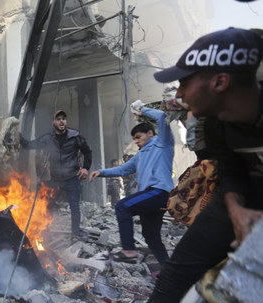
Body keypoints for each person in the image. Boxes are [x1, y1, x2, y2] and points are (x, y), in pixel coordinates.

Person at [117, 28, 263, 303]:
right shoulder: (214, 124)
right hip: (249, 188)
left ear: (220, 82)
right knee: (179, 268)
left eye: (184, 83)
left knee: (250, 295)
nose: (178, 93)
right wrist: (236, 210)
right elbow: (230, 168)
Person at [89, 105, 174, 266]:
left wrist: (143, 110)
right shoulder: (139, 156)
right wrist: (101, 172)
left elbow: (163, 117)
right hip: (151, 198)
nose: (136, 142)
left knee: (122, 206)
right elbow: (123, 169)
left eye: (138, 137)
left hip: (160, 192)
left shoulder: (163, 144)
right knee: (151, 237)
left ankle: (129, 250)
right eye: (134, 139)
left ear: (150, 133)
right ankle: (169, 272)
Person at [20, 110, 92, 241]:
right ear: (53, 122)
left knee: (74, 207)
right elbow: (28, 145)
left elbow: (88, 152)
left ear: (66, 121)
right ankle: (45, 233)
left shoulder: (75, 136)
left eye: (63, 119)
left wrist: (86, 168)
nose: (61, 121)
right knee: (48, 206)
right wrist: (17, 135)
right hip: (55, 180)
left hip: (72, 178)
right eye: (58, 119)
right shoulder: (47, 139)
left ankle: (75, 234)